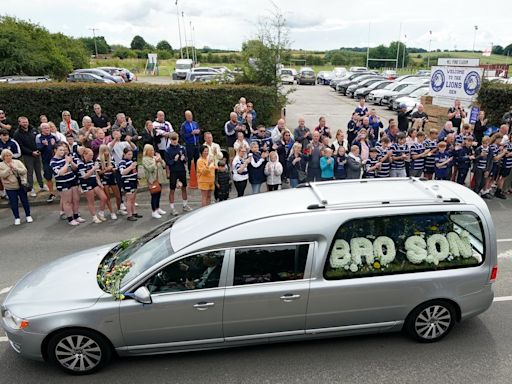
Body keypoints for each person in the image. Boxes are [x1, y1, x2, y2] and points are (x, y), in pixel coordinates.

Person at [50, 143, 83, 225]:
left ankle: (76, 216)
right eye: (60, 150)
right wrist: (66, 163)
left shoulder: (66, 157)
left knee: (76, 199)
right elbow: (60, 172)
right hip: (63, 183)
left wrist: (71, 162)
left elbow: (75, 168)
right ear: (55, 151)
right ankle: (70, 219)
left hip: (72, 180)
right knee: (67, 201)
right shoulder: (53, 161)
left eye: (63, 150)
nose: (62, 151)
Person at [14, 116, 44, 197]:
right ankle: (31, 189)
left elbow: (38, 140)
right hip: (27, 155)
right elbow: (20, 146)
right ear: (19, 123)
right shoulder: (17, 133)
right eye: (23, 122)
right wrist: (31, 152)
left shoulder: (33, 130)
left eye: (26, 122)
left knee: (38, 171)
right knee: (29, 172)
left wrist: (39, 150)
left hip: (37, 153)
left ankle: (41, 186)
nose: (25, 123)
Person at [0, 149, 32, 225]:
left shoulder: (17, 162)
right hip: (10, 187)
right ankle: (17, 217)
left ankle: (28, 215)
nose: (8, 157)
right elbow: (2, 175)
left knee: (25, 201)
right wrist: (9, 169)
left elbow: (24, 170)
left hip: (21, 185)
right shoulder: (1, 165)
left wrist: (15, 168)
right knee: (14, 203)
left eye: (10, 155)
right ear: (3, 157)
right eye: (6, 156)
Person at [164, 132, 192, 215]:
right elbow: (168, 163)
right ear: (170, 140)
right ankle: (172, 208)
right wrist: (174, 160)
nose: (174, 141)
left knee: (184, 187)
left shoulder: (182, 148)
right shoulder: (167, 150)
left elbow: (186, 159)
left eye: (175, 139)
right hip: (173, 172)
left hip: (182, 170)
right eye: (172, 140)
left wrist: (183, 159)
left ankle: (185, 205)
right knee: (172, 190)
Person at [77, 148, 108, 223]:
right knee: (91, 201)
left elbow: (95, 173)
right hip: (86, 183)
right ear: (84, 154)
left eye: (92, 155)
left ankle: (101, 213)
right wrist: (93, 169)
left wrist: (99, 182)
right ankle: (94, 217)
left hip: (94, 182)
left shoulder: (91, 161)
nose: (91, 157)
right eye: (90, 155)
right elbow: (84, 176)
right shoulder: (80, 163)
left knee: (104, 198)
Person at [96, 144, 124, 219]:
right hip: (104, 178)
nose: (107, 152)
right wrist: (106, 169)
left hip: (112, 177)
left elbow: (115, 169)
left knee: (118, 196)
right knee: (107, 197)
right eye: (105, 151)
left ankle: (119, 209)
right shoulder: (98, 160)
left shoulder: (111, 158)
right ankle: (112, 212)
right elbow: (98, 173)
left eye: (107, 150)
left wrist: (112, 169)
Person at [36, 122, 59, 203]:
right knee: (48, 177)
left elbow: (59, 146)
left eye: (48, 128)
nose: (47, 129)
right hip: (46, 160)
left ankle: (60, 191)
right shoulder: (39, 137)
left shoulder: (54, 136)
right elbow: (38, 149)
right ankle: (51, 193)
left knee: (58, 175)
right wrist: (44, 145)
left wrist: (54, 144)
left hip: (56, 160)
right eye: (45, 128)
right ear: (42, 129)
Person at [142, 144, 167, 218]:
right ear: (147, 151)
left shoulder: (154, 157)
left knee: (159, 194)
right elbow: (150, 169)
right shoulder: (145, 159)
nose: (153, 151)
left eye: (153, 150)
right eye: (151, 150)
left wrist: (161, 160)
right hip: (152, 180)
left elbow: (164, 165)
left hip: (159, 179)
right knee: (154, 195)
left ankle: (158, 208)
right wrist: (155, 162)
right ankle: (154, 211)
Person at [119, 147, 141, 221]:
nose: (130, 155)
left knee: (133, 198)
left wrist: (137, 178)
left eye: (131, 154)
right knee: (129, 199)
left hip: (133, 180)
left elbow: (134, 171)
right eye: (128, 154)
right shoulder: (122, 162)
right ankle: (129, 215)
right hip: (127, 181)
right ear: (124, 154)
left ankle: (134, 212)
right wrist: (131, 167)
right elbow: (122, 172)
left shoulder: (131, 161)